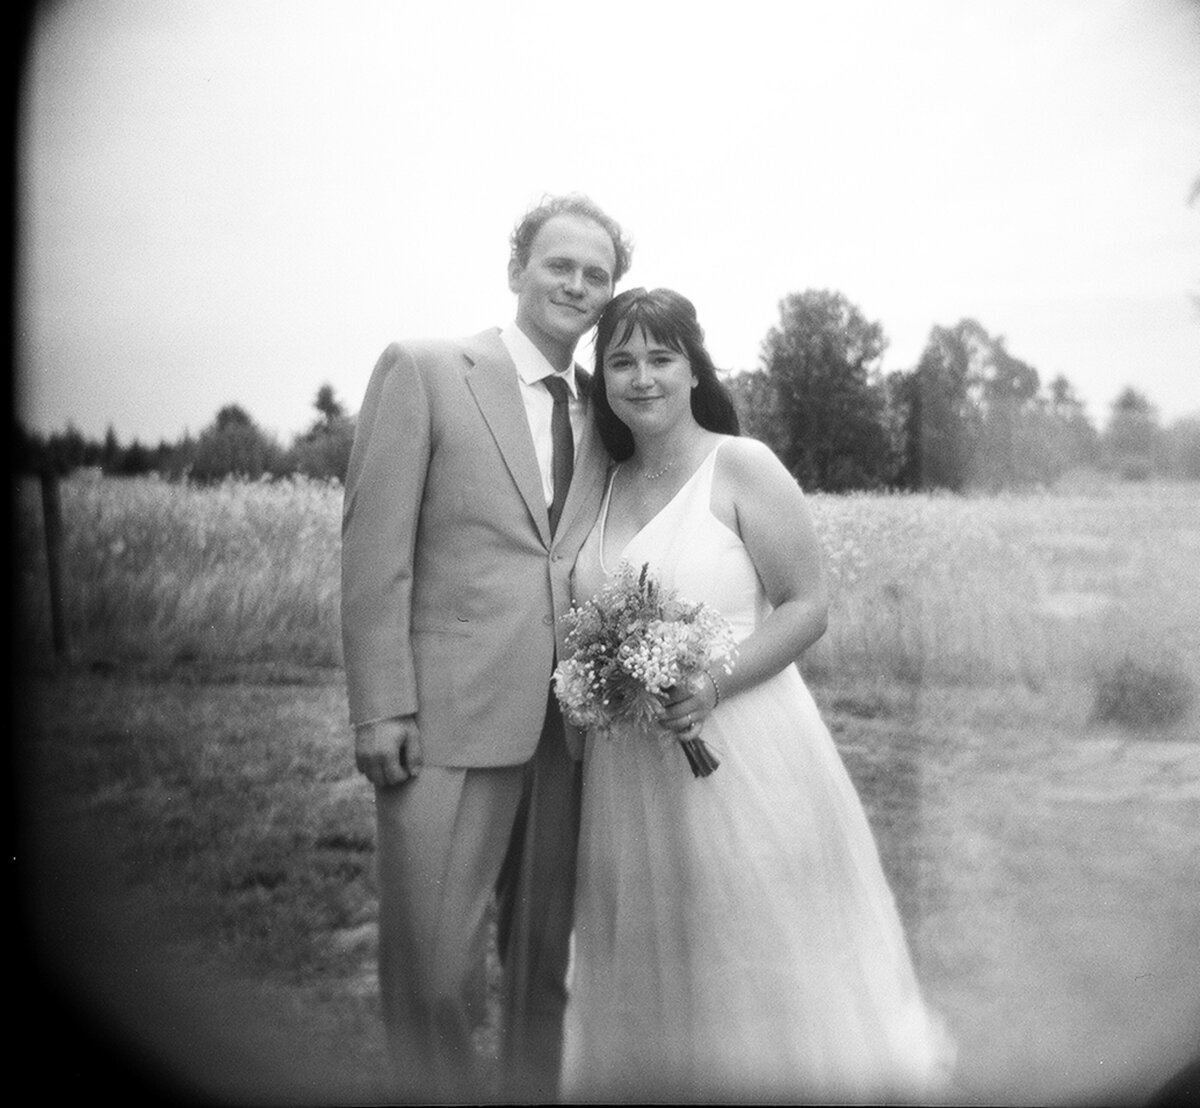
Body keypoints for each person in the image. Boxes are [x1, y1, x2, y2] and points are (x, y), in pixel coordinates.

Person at [561, 287, 955, 1103]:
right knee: (652, 951)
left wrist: (708, 681)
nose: (641, 379)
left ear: (693, 367)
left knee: (754, 944)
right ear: (602, 379)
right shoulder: (602, 483)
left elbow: (807, 605)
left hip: (746, 747)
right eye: (622, 362)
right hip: (632, 765)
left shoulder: (741, 464)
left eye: (661, 358)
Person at [340, 194, 632, 1101]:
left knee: (544, 967)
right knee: (431, 970)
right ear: (517, 272)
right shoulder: (425, 370)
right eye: (560, 265)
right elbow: (372, 548)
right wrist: (382, 705)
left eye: (597, 274)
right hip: (448, 720)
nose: (577, 285)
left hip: (569, 728)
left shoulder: (606, 411)